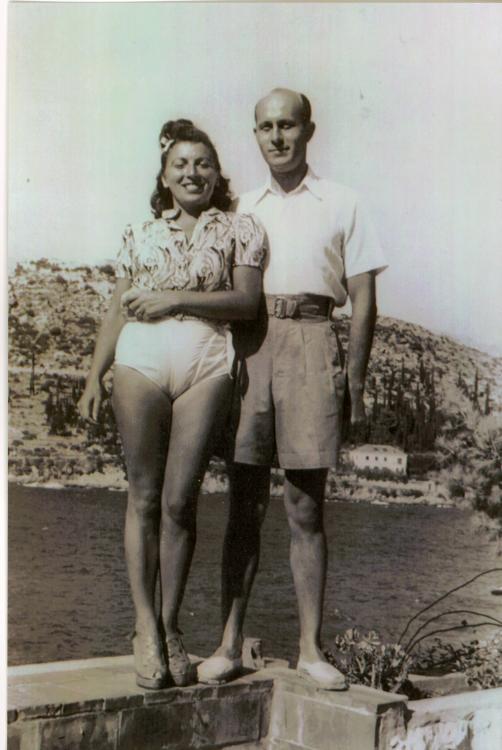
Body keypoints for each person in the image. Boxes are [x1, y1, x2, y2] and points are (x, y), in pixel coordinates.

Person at [198, 89, 387, 690]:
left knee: (305, 506)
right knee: (244, 504)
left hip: (311, 340)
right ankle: (228, 644)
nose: (277, 136)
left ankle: (309, 650)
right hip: (251, 344)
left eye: (288, 125)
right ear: (254, 135)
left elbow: (363, 301)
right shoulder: (239, 206)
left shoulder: (343, 202)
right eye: (265, 126)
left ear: (309, 129)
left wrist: (354, 379)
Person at [78, 119, 266, 689]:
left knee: (182, 502)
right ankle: (145, 630)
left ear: (217, 174)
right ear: (164, 175)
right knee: (143, 495)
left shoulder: (240, 229)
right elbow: (117, 308)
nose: (192, 172)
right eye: (181, 164)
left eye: (203, 163)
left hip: (206, 362)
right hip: (140, 361)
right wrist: (94, 375)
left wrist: (174, 298)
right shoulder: (139, 234)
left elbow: (247, 302)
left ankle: (171, 625)